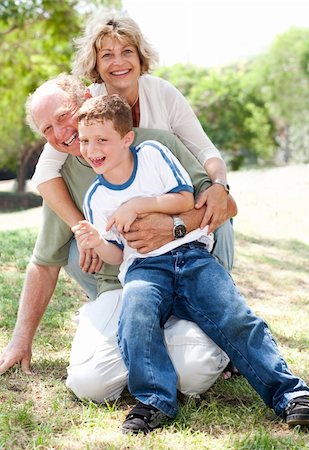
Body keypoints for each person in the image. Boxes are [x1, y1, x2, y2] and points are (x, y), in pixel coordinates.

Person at [73, 94, 309, 434]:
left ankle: (292, 395)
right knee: (135, 316)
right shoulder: (96, 197)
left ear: (127, 138)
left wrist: (139, 204)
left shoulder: (152, 155)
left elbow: (185, 198)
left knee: (235, 317)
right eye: (85, 140)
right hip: (144, 270)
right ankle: (154, 400)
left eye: (102, 139)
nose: (91, 148)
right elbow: (117, 254)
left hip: (191, 256)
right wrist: (97, 243)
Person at [0, 74, 238, 401]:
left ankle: (207, 333)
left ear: (87, 98)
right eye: (47, 129)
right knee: (90, 386)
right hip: (120, 288)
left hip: (180, 275)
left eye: (63, 116)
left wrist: (173, 224)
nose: (61, 133)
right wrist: (20, 341)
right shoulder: (60, 179)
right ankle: (134, 341)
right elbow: (44, 263)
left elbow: (223, 207)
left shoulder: (157, 144)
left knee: (194, 374)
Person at [31, 10, 235, 272]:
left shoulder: (163, 94)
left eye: (127, 51)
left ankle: (220, 284)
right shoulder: (87, 106)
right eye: (107, 55)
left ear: (140, 56)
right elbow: (44, 173)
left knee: (219, 208)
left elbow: (205, 150)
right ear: (95, 64)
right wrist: (82, 228)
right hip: (122, 224)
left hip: (170, 202)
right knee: (76, 248)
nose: (119, 62)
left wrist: (219, 185)